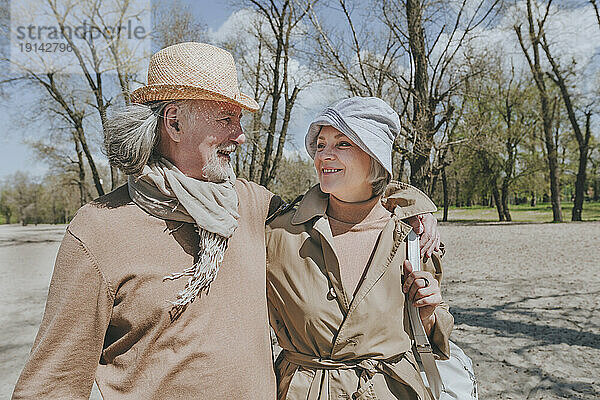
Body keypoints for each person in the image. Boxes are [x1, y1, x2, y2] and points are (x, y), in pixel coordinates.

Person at [12, 43, 440, 399]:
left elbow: (345, 197)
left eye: (240, 120)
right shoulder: (101, 227)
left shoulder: (251, 207)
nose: (240, 135)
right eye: (226, 119)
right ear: (174, 121)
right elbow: (52, 381)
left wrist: (415, 203)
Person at [266, 97, 453, 400]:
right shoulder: (279, 234)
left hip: (392, 391)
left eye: (342, 144)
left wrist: (428, 314)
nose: (323, 155)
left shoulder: (412, 238)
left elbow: (435, 336)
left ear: (375, 157)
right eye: (321, 144)